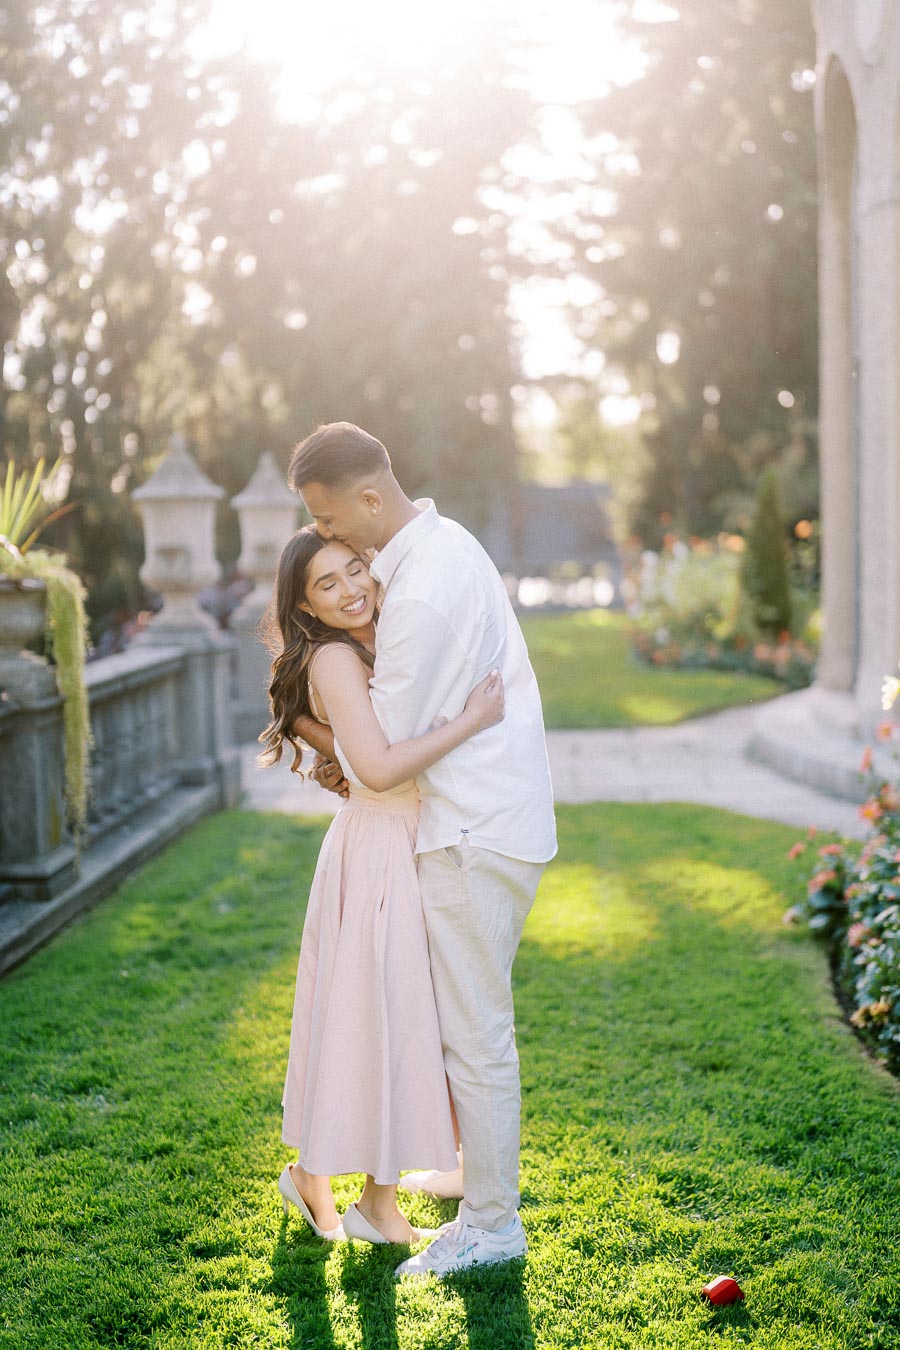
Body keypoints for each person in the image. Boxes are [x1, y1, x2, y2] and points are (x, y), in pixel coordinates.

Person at [287, 421, 558, 1279]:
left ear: (370, 500)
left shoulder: (421, 590)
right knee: (458, 1023)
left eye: (331, 525)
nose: (330, 540)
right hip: (473, 822)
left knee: (475, 1035)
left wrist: (317, 735)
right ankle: (472, 1177)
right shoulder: (439, 552)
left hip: (469, 829)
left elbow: (382, 758)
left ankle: (490, 1224)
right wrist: (311, 723)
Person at [257, 525, 506, 1245]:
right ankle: (351, 1190)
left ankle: (352, 1189)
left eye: (354, 569)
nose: (350, 589)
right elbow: (384, 767)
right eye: (326, 585)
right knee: (382, 1017)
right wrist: (472, 720)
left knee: (398, 1019)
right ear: (304, 609)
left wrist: (311, 727)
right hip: (379, 849)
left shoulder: (375, 639)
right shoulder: (336, 655)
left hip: (402, 839)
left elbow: (356, 739)